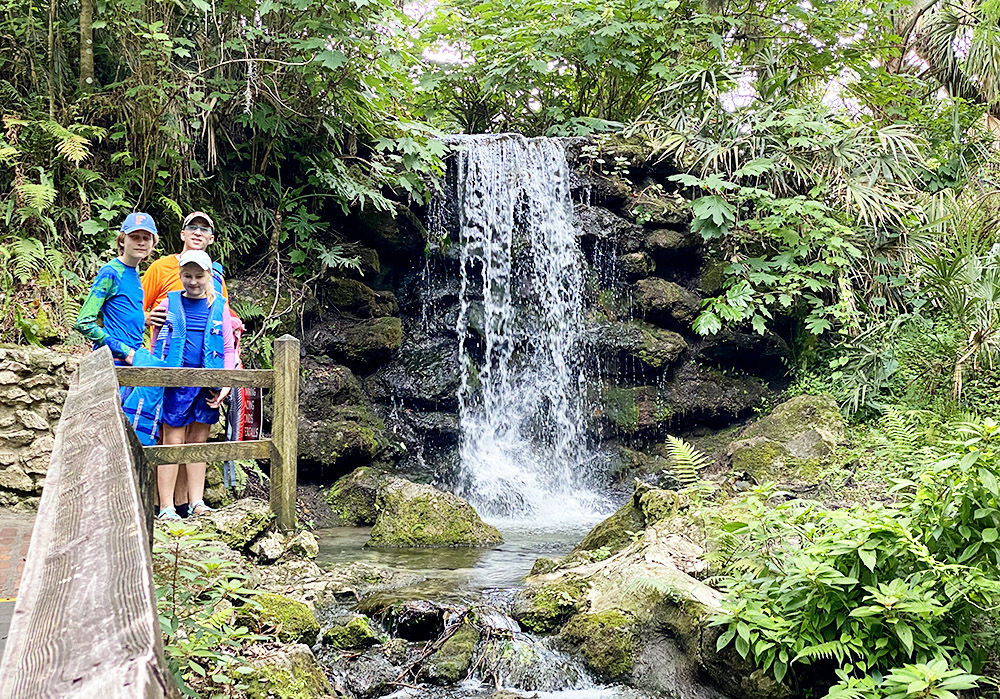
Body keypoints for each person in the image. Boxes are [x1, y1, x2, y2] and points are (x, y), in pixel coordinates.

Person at [142, 211, 243, 515]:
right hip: (175, 378)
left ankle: (194, 502)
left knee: (198, 439)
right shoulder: (165, 288)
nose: (193, 280)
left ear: (209, 276)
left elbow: (226, 344)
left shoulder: (218, 301)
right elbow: (153, 336)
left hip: (208, 379)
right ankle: (166, 506)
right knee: (171, 439)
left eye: (200, 275)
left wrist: (227, 379)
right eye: (188, 274)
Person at [75, 212, 159, 368]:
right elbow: (83, 322)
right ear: (122, 241)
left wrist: (144, 319)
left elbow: (122, 312)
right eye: (134, 237)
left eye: (146, 238)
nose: (141, 242)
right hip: (113, 361)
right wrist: (125, 351)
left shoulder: (134, 273)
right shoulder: (111, 272)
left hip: (131, 360)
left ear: (152, 244)